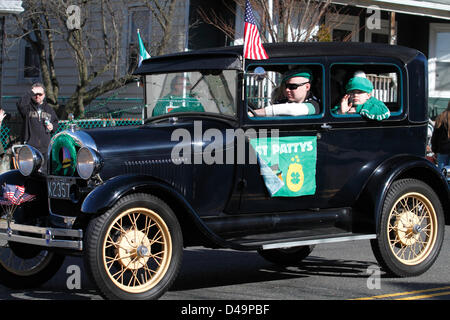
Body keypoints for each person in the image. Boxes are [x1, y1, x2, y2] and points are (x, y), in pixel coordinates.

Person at [16, 83, 59, 158]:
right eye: (35, 94)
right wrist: (31, 92)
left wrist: (52, 126)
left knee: (45, 169)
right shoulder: (27, 108)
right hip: (30, 147)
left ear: (44, 95)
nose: (37, 96)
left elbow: (55, 122)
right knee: (32, 169)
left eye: (40, 94)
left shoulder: (49, 109)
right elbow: (20, 105)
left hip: (45, 148)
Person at [253, 69, 319, 117]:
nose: (287, 90)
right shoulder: (283, 102)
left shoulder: (314, 104)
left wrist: (253, 113)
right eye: (286, 86)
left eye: (292, 86)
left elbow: (292, 110)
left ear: (307, 87)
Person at [431, 101, 450, 171]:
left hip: (442, 150)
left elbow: (435, 136)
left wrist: (434, 150)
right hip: (443, 149)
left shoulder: (440, 117)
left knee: (442, 173)